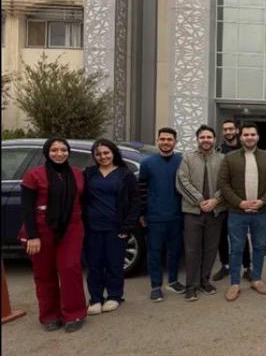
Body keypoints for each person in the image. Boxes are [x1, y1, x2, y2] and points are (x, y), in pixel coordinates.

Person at [20, 138, 86, 332]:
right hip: (42, 229)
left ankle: (74, 313)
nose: (59, 153)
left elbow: (83, 200)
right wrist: (32, 235)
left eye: (63, 150)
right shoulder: (34, 175)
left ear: (68, 152)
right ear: (47, 152)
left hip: (72, 227)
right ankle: (50, 315)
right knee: (44, 273)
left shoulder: (77, 174)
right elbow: (26, 208)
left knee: (70, 269)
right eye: (54, 150)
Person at [217, 123, 266, 301]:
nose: (249, 137)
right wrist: (240, 202)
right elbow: (223, 183)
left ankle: (256, 279)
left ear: (258, 137)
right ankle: (235, 283)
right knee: (236, 248)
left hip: (261, 211)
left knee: (259, 247)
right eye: (246, 135)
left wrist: (262, 201)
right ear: (241, 136)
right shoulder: (230, 158)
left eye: (252, 134)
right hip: (237, 212)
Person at [82, 139, 141, 315]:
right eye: (98, 154)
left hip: (116, 227)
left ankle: (115, 296)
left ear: (113, 153)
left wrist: (127, 227)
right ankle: (95, 298)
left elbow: (135, 202)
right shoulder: (89, 173)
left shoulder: (125, 174)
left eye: (106, 153)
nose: (103, 156)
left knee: (114, 264)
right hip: (92, 227)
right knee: (94, 265)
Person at [176, 125, 225, 301]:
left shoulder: (222, 159)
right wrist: (200, 201)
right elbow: (182, 181)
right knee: (192, 250)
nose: (206, 140)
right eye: (202, 137)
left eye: (209, 137)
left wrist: (215, 201)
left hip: (215, 211)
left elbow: (227, 183)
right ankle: (191, 286)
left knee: (211, 249)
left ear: (214, 139)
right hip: (192, 211)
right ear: (197, 139)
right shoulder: (187, 158)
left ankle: (205, 281)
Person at [139, 127, 185, 302]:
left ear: (175, 142)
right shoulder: (147, 163)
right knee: (154, 253)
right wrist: (142, 213)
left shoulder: (182, 161)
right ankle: (156, 286)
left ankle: (173, 281)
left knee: (175, 251)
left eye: (169, 139)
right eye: (163, 139)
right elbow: (141, 189)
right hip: (155, 216)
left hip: (177, 215)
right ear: (157, 140)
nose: (166, 142)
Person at [214, 119, 251, 282]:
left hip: (241, 200)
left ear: (237, 130)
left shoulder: (245, 148)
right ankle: (225, 265)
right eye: (225, 129)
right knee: (222, 235)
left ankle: (247, 267)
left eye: (231, 129)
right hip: (223, 200)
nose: (228, 132)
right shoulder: (218, 150)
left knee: (242, 236)